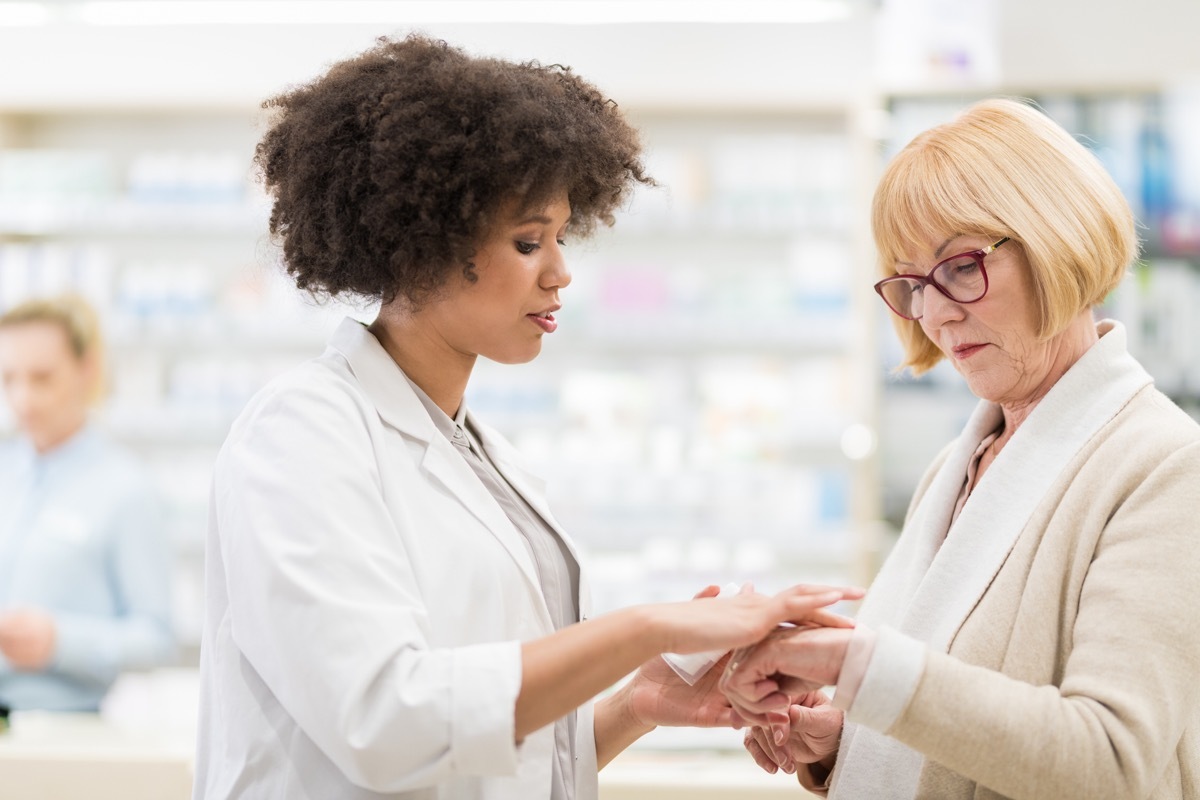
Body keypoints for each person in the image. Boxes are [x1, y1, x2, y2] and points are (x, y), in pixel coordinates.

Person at [192, 34, 862, 800]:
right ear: (419, 246)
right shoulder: (301, 434)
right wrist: (650, 628)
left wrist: (637, 702)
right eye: (527, 241)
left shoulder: (484, 455)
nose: (560, 270)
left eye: (561, 237)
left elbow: (486, 753)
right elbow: (385, 723)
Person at [720, 98, 1200, 799]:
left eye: (960, 266)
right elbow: (947, 716)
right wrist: (842, 741)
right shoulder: (959, 466)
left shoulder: (1164, 465)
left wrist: (858, 666)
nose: (937, 312)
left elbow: (1109, 760)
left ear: (1056, 241)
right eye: (913, 283)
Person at [0, 294, 174, 712]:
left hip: (65, 734)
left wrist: (60, 642)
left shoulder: (126, 489)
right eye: (9, 378)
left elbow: (157, 639)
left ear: (86, 371)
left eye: (42, 378)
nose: (23, 399)